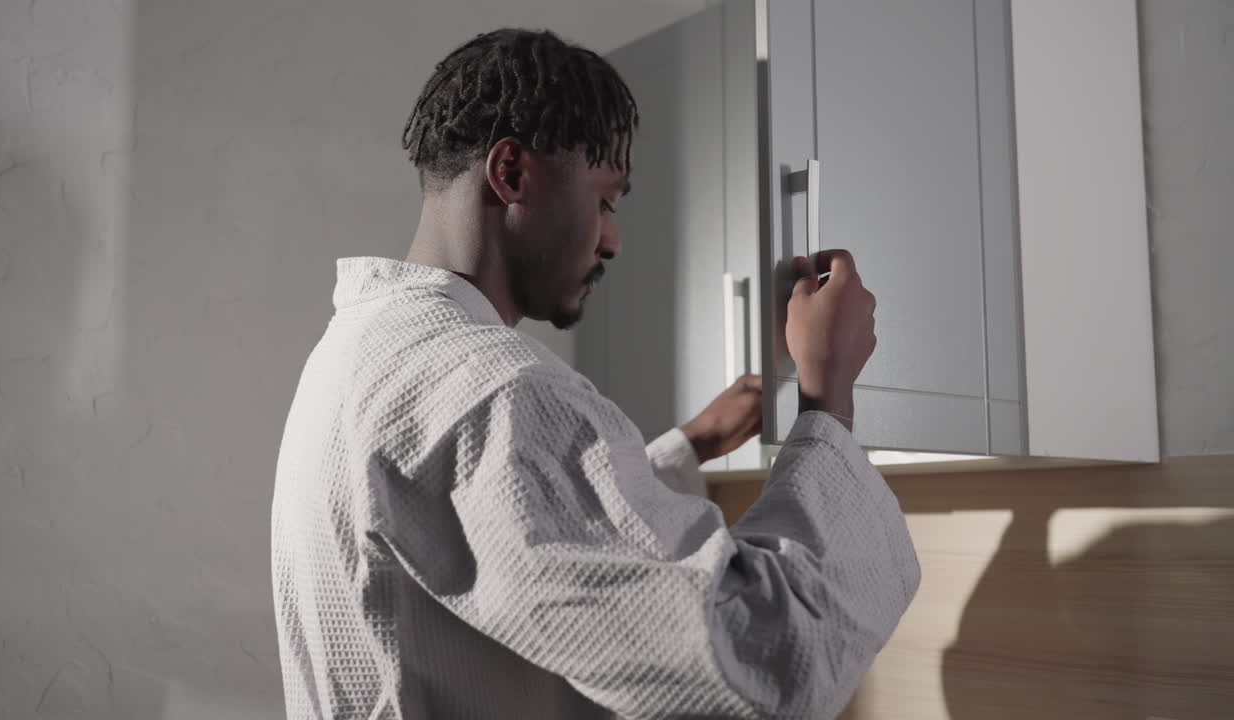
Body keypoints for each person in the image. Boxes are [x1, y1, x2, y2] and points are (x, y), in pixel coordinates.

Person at [271, 28, 920, 720]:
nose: (612, 238)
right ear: (512, 173)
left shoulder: (360, 348)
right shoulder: (501, 392)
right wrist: (830, 398)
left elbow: (501, 536)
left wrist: (690, 444)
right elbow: (757, 661)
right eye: (606, 199)